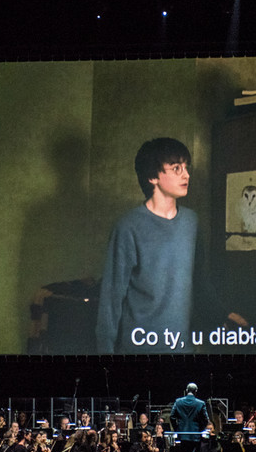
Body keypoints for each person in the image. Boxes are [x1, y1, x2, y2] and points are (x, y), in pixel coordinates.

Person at [96, 137, 245, 354]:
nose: (186, 175)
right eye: (176, 168)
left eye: (186, 167)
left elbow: (199, 281)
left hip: (181, 348)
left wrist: (222, 315)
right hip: (138, 350)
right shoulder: (128, 226)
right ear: (152, 176)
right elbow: (111, 299)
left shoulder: (191, 222)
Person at [170, 382, 209, 452]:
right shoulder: (200, 403)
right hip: (195, 435)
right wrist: (201, 429)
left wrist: (177, 429)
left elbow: (172, 417)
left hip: (183, 435)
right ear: (196, 392)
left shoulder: (178, 402)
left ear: (186, 391)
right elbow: (205, 419)